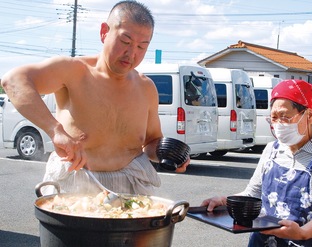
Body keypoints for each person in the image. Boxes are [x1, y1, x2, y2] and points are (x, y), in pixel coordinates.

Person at [1, 0, 189, 195]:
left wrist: (169, 153)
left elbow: (151, 141)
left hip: (132, 186)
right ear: (104, 32)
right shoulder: (74, 71)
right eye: (125, 41)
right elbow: (13, 80)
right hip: (76, 184)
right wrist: (55, 130)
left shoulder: (146, 87)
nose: (132, 53)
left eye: (142, 47)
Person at [201, 79, 312, 246]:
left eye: (284, 117)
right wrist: (225, 201)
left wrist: (302, 233)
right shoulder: (271, 149)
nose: (278, 125)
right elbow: (253, 194)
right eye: (274, 118)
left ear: (310, 115)